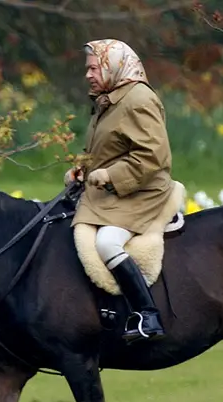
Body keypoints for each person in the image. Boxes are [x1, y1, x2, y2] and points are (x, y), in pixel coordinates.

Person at [65, 38, 174, 343]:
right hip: (113, 190)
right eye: (87, 68)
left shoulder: (138, 99)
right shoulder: (108, 98)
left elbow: (153, 156)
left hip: (143, 191)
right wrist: (81, 169)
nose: (88, 74)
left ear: (113, 64)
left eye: (93, 67)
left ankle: (147, 315)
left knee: (107, 243)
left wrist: (110, 175)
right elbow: (105, 149)